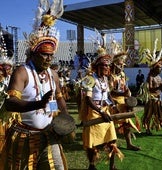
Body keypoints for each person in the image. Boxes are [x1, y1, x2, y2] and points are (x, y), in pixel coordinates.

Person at [0, 0, 70, 169]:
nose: (48, 59)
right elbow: (10, 103)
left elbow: (59, 99)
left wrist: (66, 120)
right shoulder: (22, 72)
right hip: (24, 136)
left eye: (51, 55)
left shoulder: (53, 74)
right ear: (34, 53)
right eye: (45, 55)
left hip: (48, 136)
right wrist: (38, 104)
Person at [80, 47, 124, 170]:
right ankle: (92, 165)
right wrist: (100, 112)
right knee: (93, 143)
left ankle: (112, 166)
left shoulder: (105, 79)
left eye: (108, 66)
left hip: (106, 111)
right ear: (98, 66)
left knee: (112, 139)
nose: (108, 68)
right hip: (94, 113)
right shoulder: (89, 79)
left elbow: (108, 94)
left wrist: (113, 106)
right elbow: (88, 100)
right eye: (105, 65)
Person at [109, 51, 141, 151]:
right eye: (120, 65)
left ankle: (129, 144)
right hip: (112, 102)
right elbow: (109, 92)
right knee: (111, 125)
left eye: (123, 65)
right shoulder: (110, 76)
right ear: (114, 65)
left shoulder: (122, 74)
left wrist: (128, 93)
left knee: (127, 122)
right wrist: (123, 94)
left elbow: (124, 87)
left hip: (123, 102)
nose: (122, 67)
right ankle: (111, 145)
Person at [138, 40, 162, 135]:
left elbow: (161, 89)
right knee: (148, 115)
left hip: (158, 99)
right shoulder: (150, 77)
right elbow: (150, 89)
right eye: (158, 68)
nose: (160, 69)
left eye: (161, 68)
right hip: (151, 100)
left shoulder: (159, 77)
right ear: (154, 68)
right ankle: (147, 129)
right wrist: (160, 86)